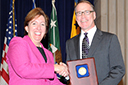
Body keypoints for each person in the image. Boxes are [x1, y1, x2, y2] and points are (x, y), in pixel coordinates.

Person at [66, 0, 125, 85]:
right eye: (79, 13)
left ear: (94, 15)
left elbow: (119, 70)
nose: (83, 16)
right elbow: (71, 72)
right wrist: (65, 73)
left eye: (86, 12)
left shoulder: (110, 39)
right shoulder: (70, 43)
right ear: (76, 17)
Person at [6, 7, 68, 85]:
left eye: (42, 24)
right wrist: (55, 67)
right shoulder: (18, 43)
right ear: (26, 28)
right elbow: (24, 69)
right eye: (34, 23)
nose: (38, 28)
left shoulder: (48, 54)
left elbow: (53, 82)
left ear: (45, 30)